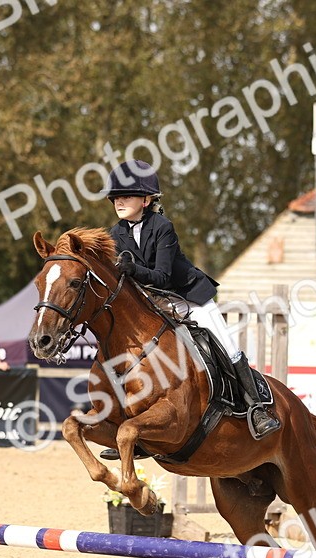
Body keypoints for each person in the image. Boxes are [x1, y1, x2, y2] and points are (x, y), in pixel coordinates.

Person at [98, 159, 279, 461]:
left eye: (126, 195)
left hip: (189, 298)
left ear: (146, 200)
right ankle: (134, 427)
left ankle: (257, 408)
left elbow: (163, 276)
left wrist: (131, 270)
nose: (119, 201)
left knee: (226, 346)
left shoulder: (163, 227)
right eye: (116, 196)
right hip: (154, 303)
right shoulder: (115, 233)